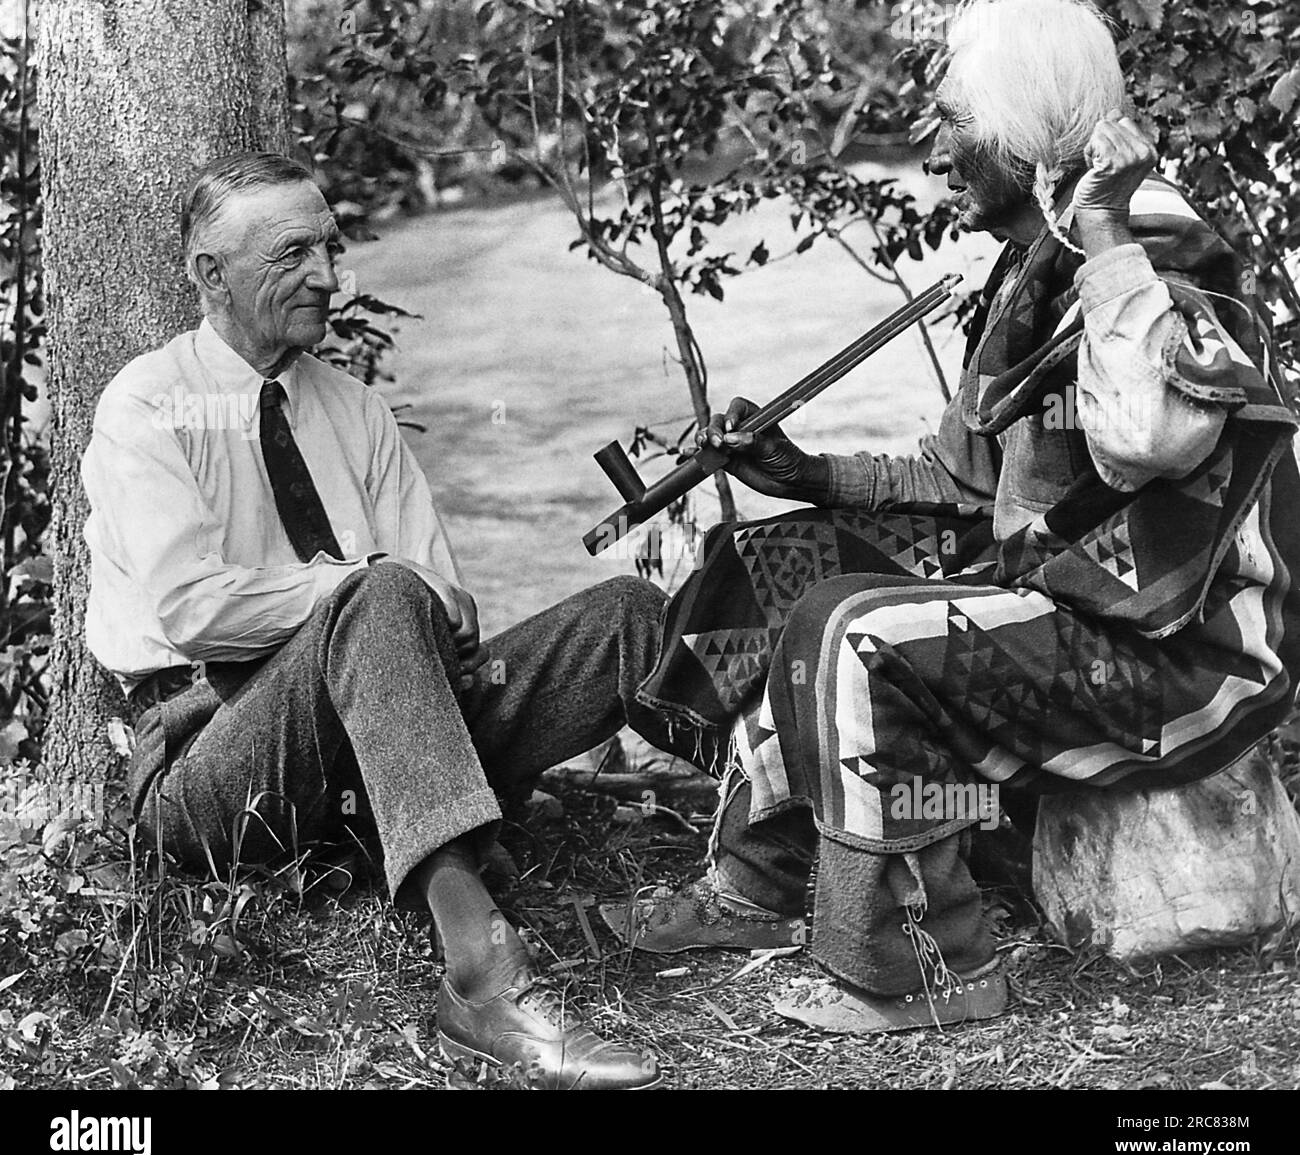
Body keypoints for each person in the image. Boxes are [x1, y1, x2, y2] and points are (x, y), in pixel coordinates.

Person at [602, 0, 1300, 1033]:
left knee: (859, 635)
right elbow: (963, 479)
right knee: (767, 566)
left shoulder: (1151, 247)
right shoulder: (1036, 261)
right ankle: (765, 875)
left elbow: (1153, 437)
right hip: (1066, 590)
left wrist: (1107, 233)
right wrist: (810, 475)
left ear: (1022, 127)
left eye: (951, 123)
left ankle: (923, 965)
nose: (931, 151)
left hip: (1183, 651)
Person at [83, 151, 683, 1090]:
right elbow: (192, 611)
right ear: (211, 274)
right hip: (215, 758)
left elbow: (446, 608)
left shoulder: (352, 408)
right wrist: (351, 589)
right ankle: (483, 974)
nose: (329, 275)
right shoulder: (146, 407)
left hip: (384, 741)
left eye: (330, 246)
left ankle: (774, 851)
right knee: (376, 592)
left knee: (629, 615)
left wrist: (380, 598)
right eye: (293, 254)